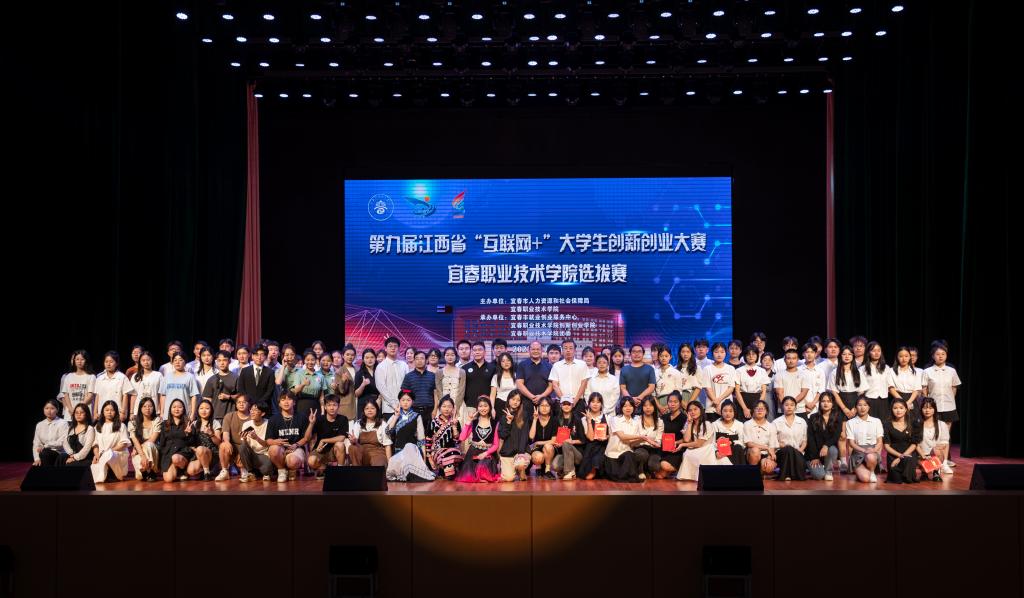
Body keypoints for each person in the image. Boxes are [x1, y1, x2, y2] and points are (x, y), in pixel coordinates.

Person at [922, 344, 961, 468]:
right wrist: (928, 404)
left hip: (949, 407)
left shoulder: (951, 371)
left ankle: (945, 460)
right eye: (938, 354)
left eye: (943, 354)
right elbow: (924, 389)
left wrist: (950, 399)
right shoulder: (927, 371)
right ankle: (933, 460)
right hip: (934, 408)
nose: (940, 356)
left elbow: (954, 387)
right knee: (935, 433)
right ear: (933, 356)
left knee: (946, 435)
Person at [385, 390, 436, 482]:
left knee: (409, 446)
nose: (405, 402)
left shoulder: (417, 416)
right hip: (399, 452)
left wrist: (424, 461)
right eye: (403, 400)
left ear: (412, 402)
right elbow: (387, 432)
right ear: (399, 401)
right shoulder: (395, 416)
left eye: (408, 400)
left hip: (413, 452)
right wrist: (396, 416)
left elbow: (421, 439)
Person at [676, 400, 727, 481]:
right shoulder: (688, 423)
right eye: (690, 410)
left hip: (706, 449)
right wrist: (689, 423)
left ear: (701, 410)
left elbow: (699, 443)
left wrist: (682, 445)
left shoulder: (706, 424)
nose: (693, 412)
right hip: (694, 448)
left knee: (694, 454)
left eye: (695, 409)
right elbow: (686, 439)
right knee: (687, 453)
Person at [455, 396, 502, 483]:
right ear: (477, 408)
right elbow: (462, 438)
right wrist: (468, 422)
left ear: (490, 407)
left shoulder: (495, 423)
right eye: (480, 406)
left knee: (482, 469)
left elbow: (496, 445)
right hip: (473, 452)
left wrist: (485, 453)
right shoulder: (474, 422)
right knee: (469, 475)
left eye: (485, 406)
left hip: (488, 454)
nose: (483, 408)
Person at [267, 392, 310, 482]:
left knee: (292, 461)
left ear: (294, 402)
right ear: (279, 403)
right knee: (273, 449)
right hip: (281, 448)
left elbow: (306, 438)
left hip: (297, 448)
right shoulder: (273, 419)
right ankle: (282, 471)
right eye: (283, 400)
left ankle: (292, 470)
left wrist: (296, 445)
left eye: (289, 399)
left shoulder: (302, 417)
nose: (286, 402)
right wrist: (276, 442)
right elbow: (268, 440)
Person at [307, 395, 350, 478]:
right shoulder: (319, 419)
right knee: (311, 461)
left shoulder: (343, 419)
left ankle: (340, 471)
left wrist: (323, 440)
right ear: (325, 407)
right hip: (320, 450)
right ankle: (324, 468)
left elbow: (341, 438)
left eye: (334, 405)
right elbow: (308, 438)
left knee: (340, 444)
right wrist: (311, 423)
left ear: (338, 406)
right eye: (329, 405)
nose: (332, 408)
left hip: (334, 450)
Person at [90, 400, 131, 484]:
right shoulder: (98, 426)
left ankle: (113, 474)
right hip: (101, 455)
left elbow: (124, 444)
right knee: (94, 475)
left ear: (116, 412)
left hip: (116, 454)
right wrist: (97, 455)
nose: (109, 412)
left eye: (112, 410)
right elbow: (95, 444)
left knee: (108, 455)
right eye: (107, 410)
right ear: (103, 412)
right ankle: (106, 473)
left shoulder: (121, 426)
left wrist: (109, 451)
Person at [845, 397, 885, 483]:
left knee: (870, 456)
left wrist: (873, 450)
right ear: (855, 407)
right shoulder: (850, 423)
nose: (862, 408)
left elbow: (879, 441)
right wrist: (863, 450)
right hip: (857, 453)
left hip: (872, 453)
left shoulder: (876, 421)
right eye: (859, 405)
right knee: (865, 479)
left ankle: (872, 472)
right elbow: (851, 443)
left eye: (865, 405)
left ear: (869, 407)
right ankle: (860, 470)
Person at [883, 398, 922, 484]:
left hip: (909, 454)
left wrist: (902, 457)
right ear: (891, 409)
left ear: (906, 409)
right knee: (896, 480)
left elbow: (914, 444)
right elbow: (886, 446)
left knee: (907, 474)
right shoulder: (887, 424)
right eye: (895, 408)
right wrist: (899, 456)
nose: (898, 410)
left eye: (901, 408)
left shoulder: (913, 423)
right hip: (894, 455)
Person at [602, 398, 641, 482]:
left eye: (630, 406)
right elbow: (622, 437)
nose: (628, 408)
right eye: (625, 406)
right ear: (621, 408)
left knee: (629, 454)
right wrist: (641, 437)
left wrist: (640, 440)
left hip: (626, 455)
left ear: (634, 407)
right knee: (617, 477)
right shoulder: (615, 419)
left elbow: (632, 443)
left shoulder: (635, 423)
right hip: (613, 454)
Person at [426, 395, 463, 480]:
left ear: (453, 408)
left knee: (453, 453)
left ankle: (446, 473)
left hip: (452, 451)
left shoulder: (456, 422)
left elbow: (457, 442)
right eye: (444, 406)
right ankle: (448, 473)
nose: (447, 409)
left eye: (449, 407)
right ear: (439, 408)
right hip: (436, 451)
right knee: (449, 455)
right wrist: (430, 458)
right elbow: (428, 439)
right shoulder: (433, 422)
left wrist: (454, 427)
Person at [159, 399, 196, 482]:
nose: (176, 409)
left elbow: (193, 443)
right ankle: (177, 469)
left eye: (179, 407)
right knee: (168, 479)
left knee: (175, 458)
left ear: (183, 409)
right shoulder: (165, 424)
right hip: (169, 453)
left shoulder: (188, 423)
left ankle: (184, 470)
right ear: (170, 409)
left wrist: (189, 434)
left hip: (183, 452)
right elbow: (162, 443)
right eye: (174, 407)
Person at [497, 391, 532, 482]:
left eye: (518, 400)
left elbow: (525, 435)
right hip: (507, 452)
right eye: (513, 399)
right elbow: (502, 435)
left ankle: (521, 470)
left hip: (520, 451)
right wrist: (508, 422)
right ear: (508, 400)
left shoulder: (524, 415)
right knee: (508, 478)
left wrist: (521, 453)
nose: (515, 402)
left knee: (520, 463)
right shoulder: (503, 416)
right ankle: (514, 469)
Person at [215, 395, 251, 481]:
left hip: (247, 446)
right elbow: (225, 433)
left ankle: (244, 469)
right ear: (236, 404)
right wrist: (227, 442)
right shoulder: (229, 416)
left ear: (249, 404)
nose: (241, 404)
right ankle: (225, 471)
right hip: (233, 446)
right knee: (223, 445)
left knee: (243, 448)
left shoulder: (252, 417)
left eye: (244, 402)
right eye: (239, 402)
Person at [806, 394, 841, 481]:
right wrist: (814, 457)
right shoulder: (813, 417)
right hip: (814, 453)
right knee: (819, 476)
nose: (826, 404)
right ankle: (819, 469)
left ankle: (828, 471)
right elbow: (810, 438)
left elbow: (836, 436)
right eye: (823, 401)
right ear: (820, 403)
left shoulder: (838, 417)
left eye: (828, 401)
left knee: (833, 449)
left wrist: (826, 446)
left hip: (828, 451)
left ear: (833, 404)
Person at [515, 340, 553, 421]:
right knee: (527, 426)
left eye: (538, 349)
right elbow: (519, 384)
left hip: (544, 403)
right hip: (526, 403)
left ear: (542, 350)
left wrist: (541, 397)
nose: (535, 351)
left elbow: (551, 386)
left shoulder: (549, 366)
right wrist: (532, 397)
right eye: (533, 349)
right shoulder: (522, 365)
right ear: (529, 350)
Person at [238, 401, 275, 482]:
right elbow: (245, 446)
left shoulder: (269, 423)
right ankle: (250, 473)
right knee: (242, 446)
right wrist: (244, 439)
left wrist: (256, 438)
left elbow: (267, 444)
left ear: (262, 413)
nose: (252, 412)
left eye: (255, 410)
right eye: (251, 409)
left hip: (264, 454)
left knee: (266, 471)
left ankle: (261, 472)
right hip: (252, 454)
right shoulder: (246, 424)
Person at [348, 400, 392, 467]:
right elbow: (354, 441)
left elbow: (387, 445)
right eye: (367, 408)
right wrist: (353, 441)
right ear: (364, 411)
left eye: (372, 408)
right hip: (363, 452)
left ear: (377, 410)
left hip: (378, 453)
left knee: (379, 465)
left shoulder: (383, 424)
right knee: (352, 447)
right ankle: (357, 471)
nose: (369, 410)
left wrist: (390, 465)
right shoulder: (358, 423)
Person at [551, 396, 587, 480]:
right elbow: (555, 437)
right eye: (564, 404)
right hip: (564, 453)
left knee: (566, 443)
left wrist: (572, 441)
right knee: (555, 466)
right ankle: (569, 470)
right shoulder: (556, 420)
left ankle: (569, 471)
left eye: (569, 404)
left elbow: (583, 440)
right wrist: (557, 444)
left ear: (572, 406)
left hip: (577, 454)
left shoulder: (577, 420)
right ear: (561, 405)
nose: (566, 406)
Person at [128, 397, 162, 481]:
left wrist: (136, 448)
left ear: (153, 408)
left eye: (150, 406)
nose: (147, 408)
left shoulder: (157, 420)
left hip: (153, 449)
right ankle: (146, 471)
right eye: (144, 406)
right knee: (139, 474)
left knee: (149, 445)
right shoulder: (133, 422)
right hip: (140, 451)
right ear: (140, 408)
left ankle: (151, 472)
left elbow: (152, 440)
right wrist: (142, 455)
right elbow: (135, 440)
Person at [774, 397, 808, 481]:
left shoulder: (802, 421)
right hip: (782, 452)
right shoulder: (776, 422)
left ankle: (788, 474)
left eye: (792, 405)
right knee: (788, 449)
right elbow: (773, 441)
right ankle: (788, 474)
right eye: (786, 405)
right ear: (782, 406)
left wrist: (800, 450)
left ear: (795, 407)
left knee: (793, 451)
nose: (789, 407)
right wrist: (782, 445)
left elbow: (805, 440)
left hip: (798, 452)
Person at [917, 397, 952, 478]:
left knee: (939, 448)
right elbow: (916, 443)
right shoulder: (917, 424)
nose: (927, 410)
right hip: (922, 455)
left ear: (934, 410)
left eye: (930, 408)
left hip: (936, 455)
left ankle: (936, 471)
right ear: (921, 409)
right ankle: (924, 471)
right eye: (925, 408)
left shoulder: (941, 424)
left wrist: (944, 461)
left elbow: (945, 443)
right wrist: (923, 455)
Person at [578, 393, 610, 480]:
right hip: (590, 446)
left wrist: (606, 437)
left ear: (601, 404)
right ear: (589, 403)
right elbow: (591, 438)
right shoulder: (584, 419)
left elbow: (611, 435)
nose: (595, 404)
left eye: (598, 402)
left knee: (598, 458)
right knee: (584, 474)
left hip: (603, 446)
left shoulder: (607, 417)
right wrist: (589, 420)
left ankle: (596, 470)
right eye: (593, 402)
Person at [743, 400, 779, 477]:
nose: (759, 410)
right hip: (752, 453)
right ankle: (752, 474)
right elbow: (749, 443)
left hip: (766, 454)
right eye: (757, 408)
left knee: (768, 465)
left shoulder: (771, 426)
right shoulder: (747, 424)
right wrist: (766, 448)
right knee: (755, 450)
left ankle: (761, 473)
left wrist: (769, 458)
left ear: (766, 412)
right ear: (753, 411)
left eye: (762, 408)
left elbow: (772, 446)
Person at [656, 391, 687, 479]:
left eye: (675, 402)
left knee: (664, 466)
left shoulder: (684, 418)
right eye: (670, 401)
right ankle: (666, 473)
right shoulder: (664, 417)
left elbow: (687, 438)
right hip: (663, 448)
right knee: (659, 474)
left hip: (676, 450)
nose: (672, 404)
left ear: (680, 403)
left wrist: (676, 442)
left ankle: (676, 469)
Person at [528, 397, 560, 479]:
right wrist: (535, 420)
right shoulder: (532, 419)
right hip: (536, 449)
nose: (544, 408)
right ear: (538, 407)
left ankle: (547, 470)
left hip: (550, 449)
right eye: (542, 405)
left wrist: (538, 442)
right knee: (538, 457)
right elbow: (531, 436)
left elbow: (553, 441)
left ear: (550, 407)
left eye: (547, 405)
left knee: (548, 446)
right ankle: (539, 467)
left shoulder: (554, 420)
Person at [735, 346, 769, 421]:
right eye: (748, 354)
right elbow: (737, 391)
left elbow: (763, 392)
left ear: (757, 356)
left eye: (753, 354)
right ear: (745, 356)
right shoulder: (739, 371)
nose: (751, 356)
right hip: (742, 400)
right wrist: (744, 408)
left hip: (757, 399)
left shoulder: (762, 371)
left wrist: (758, 407)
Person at [32, 399, 69, 467]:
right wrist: (37, 459)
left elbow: (62, 442)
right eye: (46, 408)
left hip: (59, 452)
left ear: (57, 410)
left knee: (45, 453)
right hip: (44, 453)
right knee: (36, 465)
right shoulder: (40, 424)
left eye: (52, 408)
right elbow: (36, 444)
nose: (49, 411)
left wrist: (46, 446)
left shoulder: (63, 423)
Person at [61, 350, 95, 421]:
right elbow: (66, 395)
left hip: (84, 413)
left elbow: (90, 396)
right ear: (74, 361)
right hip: (70, 414)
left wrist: (78, 409)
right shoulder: (68, 376)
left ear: (86, 361)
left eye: (82, 359)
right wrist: (71, 409)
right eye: (77, 359)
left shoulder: (91, 376)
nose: (79, 361)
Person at [435, 347, 467, 421]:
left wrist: (456, 407)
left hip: (458, 403)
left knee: (458, 424)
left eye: (452, 355)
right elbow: (439, 390)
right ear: (444, 356)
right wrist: (443, 405)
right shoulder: (439, 372)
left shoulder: (462, 372)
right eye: (447, 355)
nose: (450, 357)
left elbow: (461, 390)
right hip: (443, 404)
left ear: (456, 356)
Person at [585, 353, 620, 419]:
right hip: (593, 415)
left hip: (609, 415)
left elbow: (615, 397)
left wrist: (603, 411)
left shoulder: (614, 380)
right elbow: (587, 395)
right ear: (596, 364)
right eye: (599, 362)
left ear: (608, 364)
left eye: (604, 362)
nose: (601, 364)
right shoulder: (591, 380)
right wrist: (594, 409)